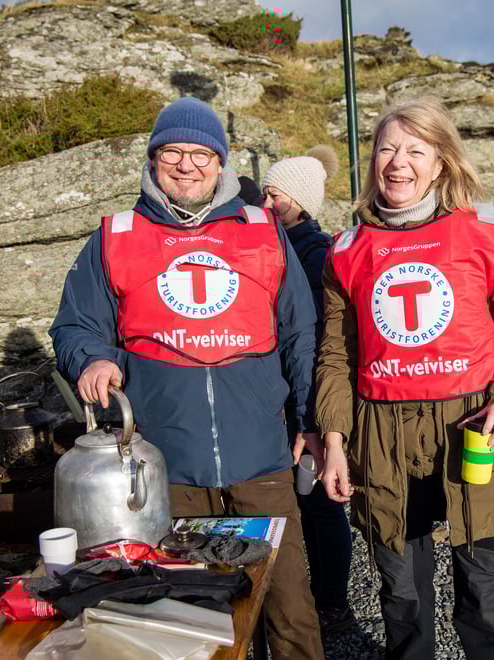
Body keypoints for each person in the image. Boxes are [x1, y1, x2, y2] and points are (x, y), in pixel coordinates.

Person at [49, 96, 325, 659]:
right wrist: (93, 358)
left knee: (290, 608)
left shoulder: (263, 231)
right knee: (190, 620)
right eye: (172, 151)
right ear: (152, 160)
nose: (186, 164)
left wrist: (310, 422)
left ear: (220, 163)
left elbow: (301, 334)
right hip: (165, 467)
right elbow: (75, 325)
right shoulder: (115, 236)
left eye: (201, 153)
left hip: (263, 458)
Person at [315, 98, 494, 659]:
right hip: (380, 435)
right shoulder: (347, 250)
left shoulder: (487, 229)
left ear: (443, 162)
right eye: (386, 149)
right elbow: (334, 356)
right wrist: (332, 440)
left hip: (472, 424)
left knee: (487, 593)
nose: (397, 162)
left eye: (415, 150)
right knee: (400, 595)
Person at [260, 145, 357, 635]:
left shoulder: (312, 253)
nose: (267, 202)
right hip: (291, 395)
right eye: (265, 192)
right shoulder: (279, 242)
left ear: (299, 200)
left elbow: (319, 339)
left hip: (312, 395)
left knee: (319, 503)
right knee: (305, 501)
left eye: (275, 194)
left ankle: (334, 602)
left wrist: (315, 413)